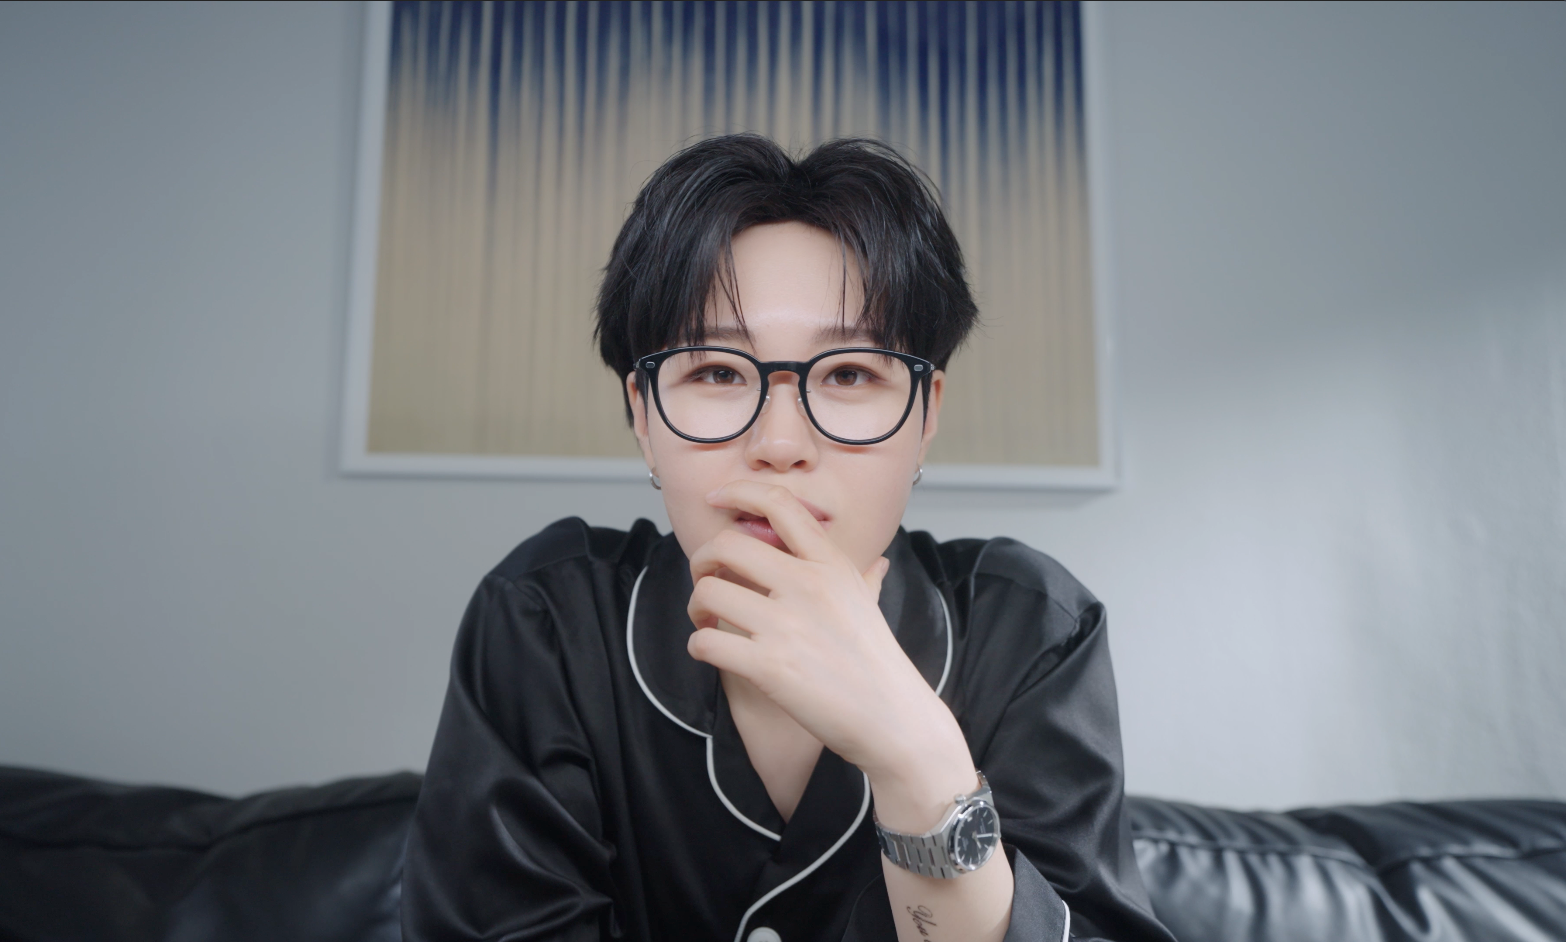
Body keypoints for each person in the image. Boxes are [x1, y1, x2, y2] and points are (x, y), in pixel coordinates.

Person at [402, 134, 1175, 942]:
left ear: (926, 415)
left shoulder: (1032, 629)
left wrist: (918, 764)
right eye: (716, 372)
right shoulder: (546, 623)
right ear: (642, 415)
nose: (779, 443)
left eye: (848, 374)